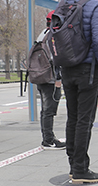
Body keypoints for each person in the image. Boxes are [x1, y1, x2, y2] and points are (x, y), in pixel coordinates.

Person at [60, 0, 98, 184]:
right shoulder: (94, 4)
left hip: (67, 68)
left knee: (72, 116)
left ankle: (73, 164)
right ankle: (81, 169)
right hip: (88, 70)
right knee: (84, 120)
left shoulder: (62, 5)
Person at [35, 11, 66, 149]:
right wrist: (58, 78)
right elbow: (56, 58)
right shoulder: (53, 36)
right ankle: (48, 139)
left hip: (41, 76)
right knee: (49, 109)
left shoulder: (43, 34)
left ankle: (48, 137)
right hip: (50, 78)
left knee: (45, 110)